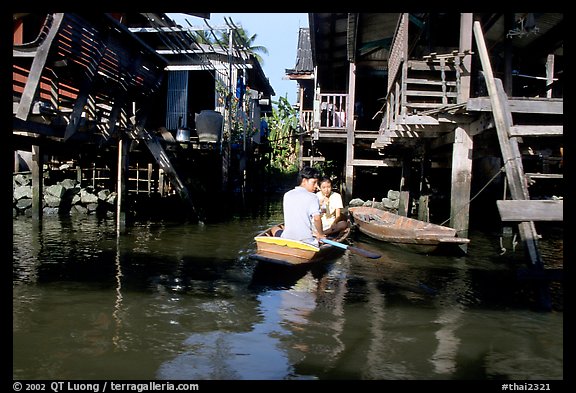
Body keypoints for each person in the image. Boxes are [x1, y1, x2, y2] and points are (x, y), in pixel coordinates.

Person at [276, 166, 326, 247]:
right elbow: (317, 219)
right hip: (306, 242)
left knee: (274, 229)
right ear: (304, 181)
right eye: (314, 182)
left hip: (287, 239)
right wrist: (320, 235)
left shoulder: (287, 195)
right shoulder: (313, 197)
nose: (316, 186)